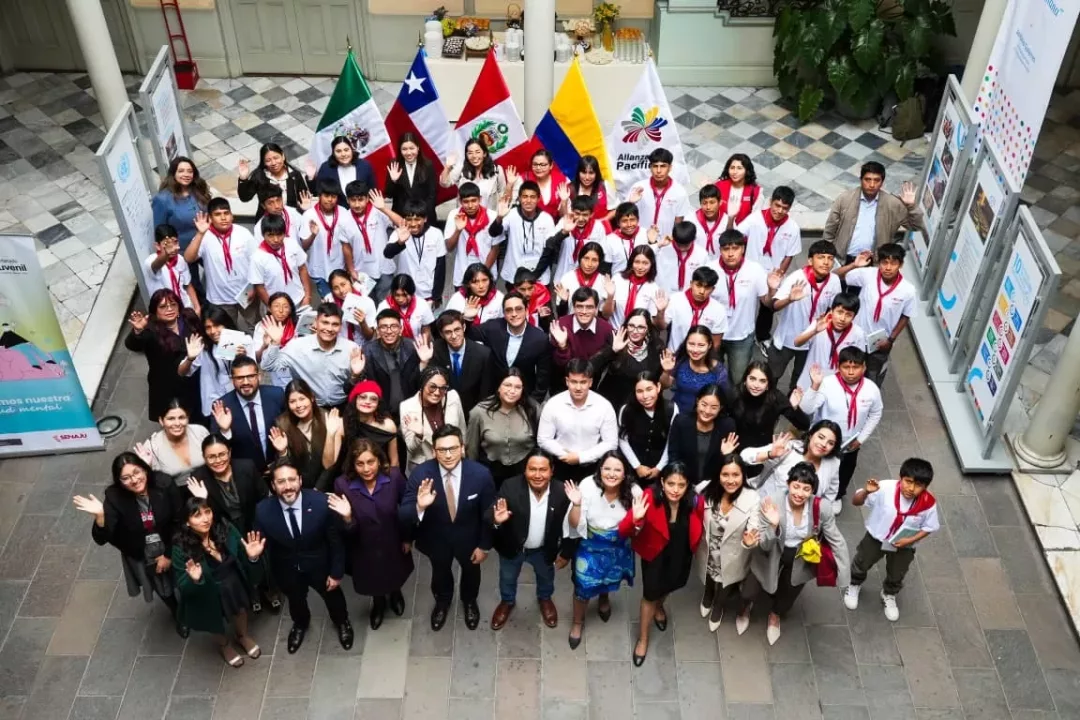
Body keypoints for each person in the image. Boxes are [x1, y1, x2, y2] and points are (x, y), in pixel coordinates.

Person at [74, 453, 186, 636]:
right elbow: (102, 538)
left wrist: (168, 555)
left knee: (185, 576)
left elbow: (178, 519)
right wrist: (100, 517)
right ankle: (178, 614)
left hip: (171, 540)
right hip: (142, 550)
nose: (134, 480)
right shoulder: (115, 497)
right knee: (162, 586)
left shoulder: (163, 483)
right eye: (126, 478)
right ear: (119, 481)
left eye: (137, 472)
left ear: (145, 469)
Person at [250, 459, 354, 653]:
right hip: (287, 570)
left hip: (321, 566)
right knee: (296, 601)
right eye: (281, 481)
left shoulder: (321, 503)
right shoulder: (263, 511)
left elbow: (335, 542)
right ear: (273, 485)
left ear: (300, 480)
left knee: (333, 598)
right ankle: (300, 624)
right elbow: (259, 545)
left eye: (292, 479)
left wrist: (336, 572)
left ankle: (342, 622)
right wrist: (254, 556)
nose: (287, 486)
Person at [742, 463, 850, 645]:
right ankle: (745, 608)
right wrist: (773, 525)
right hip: (771, 552)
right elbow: (765, 546)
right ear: (788, 484)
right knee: (749, 590)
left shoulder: (821, 507)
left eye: (806, 489)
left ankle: (775, 615)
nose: (800, 493)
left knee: (789, 591)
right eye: (796, 486)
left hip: (800, 556)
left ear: (812, 491)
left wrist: (844, 575)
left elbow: (836, 539)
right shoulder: (771, 503)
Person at [400, 426, 496, 631]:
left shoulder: (480, 474)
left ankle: (469, 602)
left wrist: (484, 546)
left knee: (471, 573)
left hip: (469, 541)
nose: (448, 455)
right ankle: (442, 602)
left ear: (462, 448)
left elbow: (488, 514)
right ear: (434, 451)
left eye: (453, 448)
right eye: (442, 450)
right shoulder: (421, 474)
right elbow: (404, 515)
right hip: (436, 540)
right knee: (440, 573)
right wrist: (419, 506)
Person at [622, 462, 704, 665]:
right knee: (650, 594)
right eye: (671, 484)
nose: (675, 490)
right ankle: (643, 638)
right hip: (655, 554)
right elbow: (623, 530)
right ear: (662, 482)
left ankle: (659, 607)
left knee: (672, 584)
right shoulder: (649, 498)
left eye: (681, 485)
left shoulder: (695, 501)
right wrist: (636, 519)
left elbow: (699, 523)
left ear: (688, 486)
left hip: (681, 553)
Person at [172, 497, 265, 666]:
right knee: (213, 621)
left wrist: (253, 557)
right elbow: (183, 586)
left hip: (232, 582)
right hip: (207, 590)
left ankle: (242, 636)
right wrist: (195, 580)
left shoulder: (226, 529)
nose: (205, 519)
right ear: (187, 522)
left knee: (240, 610)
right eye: (197, 515)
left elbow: (244, 557)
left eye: (207, 512)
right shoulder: (181, 548)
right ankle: (224, 646)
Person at [489, 449, 575, 630]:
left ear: (552, 471)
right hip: (513, 547)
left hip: (544, 549)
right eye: (532, 469)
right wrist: (496, 520)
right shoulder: (510, 486)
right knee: (507, 577)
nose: (537, 475)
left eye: (543, 470)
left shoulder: (562, 492)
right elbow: (490, 514)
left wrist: (566, 553)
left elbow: (572, 526)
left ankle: (545, 598)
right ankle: (507, 601)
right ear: (525, 470)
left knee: (546, 577)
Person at [844, 458, 938, 622]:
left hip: (904, 545)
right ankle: (854, 584)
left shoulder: (928, 504)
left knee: (898, 572)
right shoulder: (884, 488)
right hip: (876, 537)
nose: (911, 488)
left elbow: (929, 527)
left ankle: (889, 593)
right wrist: (866, 492)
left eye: (918, 485)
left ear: (925, 486)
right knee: (862, 561)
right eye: (908, 481)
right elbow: (856, 501)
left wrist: (910, 540)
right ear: (901, 477)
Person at [333, 438, 414, 629]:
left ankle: (395, 594)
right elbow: (345, 531)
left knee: (395, 572)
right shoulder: (342, 484)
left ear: (379, 460)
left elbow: (407, 510)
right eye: (360, 464)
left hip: (392, 540)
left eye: (371, 462)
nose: (366, 469)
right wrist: (347, 517)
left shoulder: (394, 477)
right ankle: (378, 604)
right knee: (373, 579)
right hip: (363, 546)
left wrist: (407, 538)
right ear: (353, 465)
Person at [565, 451, 642, 649]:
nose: (611, 474)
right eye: (607, 468)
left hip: (618, 545)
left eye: (617, 469)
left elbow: (637, 532)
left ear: (625, 473)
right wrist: (576, 504)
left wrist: (637, 520)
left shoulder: (635, 492)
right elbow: (574, 524)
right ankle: (577, 622)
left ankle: (604, 597)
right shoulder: (587, 486)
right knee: (582, 585)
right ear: (600, 470)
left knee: (610, 577)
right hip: (591, 544)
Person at [187, 435, 272, 613]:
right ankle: (252, 593)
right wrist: (203, 499)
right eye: (211, 457)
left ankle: (269, 589)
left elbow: (263, 496)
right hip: (224, 529)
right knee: (239, 561)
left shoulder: (246, 466)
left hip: (252, 521)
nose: (218, 460)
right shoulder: (198, 478)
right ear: (204, 457)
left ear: (230, 452)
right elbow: (201, 515)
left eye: (222, 454)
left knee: (262, 557)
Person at [800, 348, 883, 513]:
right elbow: (806, 408)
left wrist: (861, 439)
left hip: (850, 443)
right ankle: (805, 490)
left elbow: (876, 413)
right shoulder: (827, 384)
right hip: (823, 439)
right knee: (812, 465)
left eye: (856, 367)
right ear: (838, 367)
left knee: (845, 469)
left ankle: (837, 495)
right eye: (846, 367)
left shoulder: (871, 389)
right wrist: (814, 385)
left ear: (864, 367)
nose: (851, 372)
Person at [696, 454, 761, 633]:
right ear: (718, 474)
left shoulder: (752, 498)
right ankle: (708, 594)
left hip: (734, 551)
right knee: (709, 574)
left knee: (726, 580)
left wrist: (749, 542)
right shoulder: (705, 490)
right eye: (725, 474)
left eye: (735, 475)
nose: (730, 480)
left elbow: (754, 527)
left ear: (743, 475)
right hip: (709, 547)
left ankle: (718, 606)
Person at [836, 243, 917, 385]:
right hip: (856, 336)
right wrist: (854, 265)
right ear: (879, 262)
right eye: (884, 262)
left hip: (880, 343)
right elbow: (836, 275)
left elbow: (906, 316)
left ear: (901, 265)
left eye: (893, 263)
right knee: (847, 373)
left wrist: (890, 340)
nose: (888, 267)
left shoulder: (908, 290)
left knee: (872, 379)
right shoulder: (868, 274)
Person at [260, 302, 365, 409]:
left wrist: (356, 375)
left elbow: (360, 384)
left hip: (344, 405)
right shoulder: (297, 347)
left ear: (340, 326)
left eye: (335, 324)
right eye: (325, 322)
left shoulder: (351, 348)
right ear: (316, 322)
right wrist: (275, 343)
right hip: (310, 407)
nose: (329, 328)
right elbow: (267, 366)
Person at [769, 240, 841, 392]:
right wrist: (789, 299)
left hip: (812, 339)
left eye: (830, 258)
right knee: (772, 375)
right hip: (787, 338)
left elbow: (833, 308)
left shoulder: (834, 281)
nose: (826, 262)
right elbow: (774, 305)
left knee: (800, 380)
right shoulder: (797, 278)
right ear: (810, 260)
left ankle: (792, 402)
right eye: (821, 257)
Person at [712, 229, 780, 382]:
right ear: (720, 250)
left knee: (738, 379)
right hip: (713, 333)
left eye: (735, 248)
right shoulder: (710, 269)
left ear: (743, 249)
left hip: (741, 336)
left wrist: (771, 290)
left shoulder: (754, 270)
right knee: (713, 378)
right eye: (726, 249)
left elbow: (767, 303)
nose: (730, 254)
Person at [823, 162, 922, 264]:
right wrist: (828, 255)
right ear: (861, 180)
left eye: (876, 180)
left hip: (873, 263)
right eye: (867, 179)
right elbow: (830, 229)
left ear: (882, 182)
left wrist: (911, 206)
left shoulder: (893, 204)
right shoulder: (845, 199)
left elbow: (915, 226)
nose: (872, 185)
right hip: (843, 260)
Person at [124, 289, 201, 421]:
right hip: (168, 385)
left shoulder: (188, 317)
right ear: (155, 310)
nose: (169, 309)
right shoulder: (150, 329)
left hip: (194, 379)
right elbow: (133, 345)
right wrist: (138, 331)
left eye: (173, 305)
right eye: (163, 306)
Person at [183, 200, 258, 332]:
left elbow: (257, 261)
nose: (223, 218)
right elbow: (188, 258)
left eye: (226, 213)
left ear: (232, 216)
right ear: (210, 218)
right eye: (218, 214)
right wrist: (200, 234)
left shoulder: (243, 233)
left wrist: (255, 287)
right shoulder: (204, 236)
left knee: (255, 326)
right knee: (226, 333)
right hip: (220, 297)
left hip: (247, 292)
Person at [538, 358, 619, 480]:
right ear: (567, 381)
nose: (578, 387)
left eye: (583, 382)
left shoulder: (604, 406)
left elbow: (611, 443)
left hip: (593, 467)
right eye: (574, 382)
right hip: (561, 464)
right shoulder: (553, 404)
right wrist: (565, 455)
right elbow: (543, 439)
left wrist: (581, 457)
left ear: (590, 382)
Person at [726, 361, 810, 478]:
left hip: (761, 453)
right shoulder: (734, 394)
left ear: (768, 385)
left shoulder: (775, 398)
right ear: (745, 380)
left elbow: (804, 425)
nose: (756, 385)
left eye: (762, 381)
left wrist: (795, 408)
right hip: (734, 449)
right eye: (752, 379)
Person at [468, 291, 552, 403]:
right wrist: (467, 318)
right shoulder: (492, 327)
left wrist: (533, 404)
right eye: (509, 310)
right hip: (493, 396)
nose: (514, 314)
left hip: (523, 398)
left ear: (526, 310)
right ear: (504, 313)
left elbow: (543, 377)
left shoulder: (540, 339)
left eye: (518, 309)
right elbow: (468, 334)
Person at [209, 355, 286, 473]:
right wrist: (225, 430)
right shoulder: (221, 406)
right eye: (240, 378)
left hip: (278, 468)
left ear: (259, 376)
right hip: (245, 474)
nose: (245, 382)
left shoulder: (276, 395)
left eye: (250, 376)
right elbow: (217, 449)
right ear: (232, 380)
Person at [466, 369, 540, 489]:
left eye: (518, 387)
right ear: (498, 387)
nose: (512, 391)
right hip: (491, 472)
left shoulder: (532, 409)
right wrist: (472, 475)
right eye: (507, 385)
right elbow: (471, 449)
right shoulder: (479, 412)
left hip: (524, 472)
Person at [742, 420, 843, 501]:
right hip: (763, 506)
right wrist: (770, 454)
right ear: (811, 435)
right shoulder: (788, 449)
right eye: (821, 437)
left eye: (830, 443)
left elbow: (831, 493)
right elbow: (744, 456)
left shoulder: (833, 463)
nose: (824, 444)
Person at [271, 379, 342, 491]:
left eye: (302, 399)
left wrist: (317, 489)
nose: (298, 405)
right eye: (292, 401)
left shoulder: (328, 419)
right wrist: (282, 452)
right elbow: (284, 467)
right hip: (297, 488)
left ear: (312, 398)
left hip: (327, 485)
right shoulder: (282, 424)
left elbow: (331, 465)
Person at [153, 156, 211, 292]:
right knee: (194, 286)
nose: (186, 174)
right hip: (183, 252)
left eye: (189, 171)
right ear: (173, 174)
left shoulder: (198, 189)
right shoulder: (162, 199)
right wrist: (168, 252)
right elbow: (160, 229)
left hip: (206, 244)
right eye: (181, 171)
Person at [179, 305, 243, 424]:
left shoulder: (240, 341)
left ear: (225, 324)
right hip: (215, 402)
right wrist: (190, 358)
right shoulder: (203, 347)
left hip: (240, 398)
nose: (213, 331)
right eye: (208, 327)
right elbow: (182, 372)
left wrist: (241, 357)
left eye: (217, 325)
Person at [792, 292, 867, 392]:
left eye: (848, 315)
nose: (842, 318)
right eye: (839, 312)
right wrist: (814, 331)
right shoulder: (820, 324)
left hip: (836, 385)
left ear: (854, 317)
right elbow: (797, 343)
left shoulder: (858, 334)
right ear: (832, 310)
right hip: (810, 380)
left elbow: (858, 362)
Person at [666, 384, 739, 487]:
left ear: (720, 408)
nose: (707, 411)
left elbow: (729, 466)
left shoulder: (727, 425)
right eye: (704, 405)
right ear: (697, 401)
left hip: (714, 485)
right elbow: (673, 456)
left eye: (714, 407)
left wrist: (725, 455)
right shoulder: (681, 421)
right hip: (684, 484)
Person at [594, 309, 667, 409]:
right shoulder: (615, 340)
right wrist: (613, 350)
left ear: (647, 329)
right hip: (612, 403)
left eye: (640, 327)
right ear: (626, 326)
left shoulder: (656, 347)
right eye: (631, 326)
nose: (635, 331)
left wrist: (667, 371)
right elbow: (592, 367)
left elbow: (663, 385)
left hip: (640, 406)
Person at [400, 366, 468, 473]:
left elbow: (462, 431)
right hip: (424, 466)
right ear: (422, 385)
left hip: (453, 461)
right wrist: (419, 435)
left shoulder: (453, 397)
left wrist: (462, 457)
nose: (437, 392)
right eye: (432, 387)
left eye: (443, 388)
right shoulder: (407, 407)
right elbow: (411, 448)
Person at [363, 308, 430, 415]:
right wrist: (355, 375)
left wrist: (424, 362)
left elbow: (422, 383)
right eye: (383, 327)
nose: (389, 331)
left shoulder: (413, 347)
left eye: (394, 326)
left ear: (401, 329)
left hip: (412, 409)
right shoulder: (368, 351)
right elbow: (353, 388)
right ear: (377, 331)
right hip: (380, 411)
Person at [300, 178, 357, 300]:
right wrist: (313, 235)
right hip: (319, 269)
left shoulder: (344, 212)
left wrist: (350, 266)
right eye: (326, 196)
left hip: (340, 267)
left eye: (333, 196)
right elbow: (303, 246)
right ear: (319, 196)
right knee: (329, 303)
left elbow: (349, 242)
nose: (330, 200)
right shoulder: (309, 215)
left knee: (344, 302)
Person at [492, 181, 558, 285]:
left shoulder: (546, 219)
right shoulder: (512, 214)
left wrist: (535, 275)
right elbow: (493, 233)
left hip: (539, 276)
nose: (528, 201)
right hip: (513, 273)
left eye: (532, 197)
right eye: (525, 197)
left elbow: (550, 251)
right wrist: (499, 217)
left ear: (538, 199)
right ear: (519, 198)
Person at [344, 182, 399, 302]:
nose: (357, 204)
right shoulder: (344, 219)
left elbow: (401, 223)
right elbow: (346, 246)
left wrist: (383, 208)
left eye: (360, 200)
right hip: (362, 271)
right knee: (366, 304)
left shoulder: (378, 212)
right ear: (347, 200)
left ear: (367, 198)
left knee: (384, 304)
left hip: (384, 268)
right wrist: (351, 270)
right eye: (353, 200)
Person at [432, 310, 495, 416]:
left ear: (464, 327)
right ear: (441, 334)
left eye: (457, 330)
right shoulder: (434, 350)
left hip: (473, 412)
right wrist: (424, 362)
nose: (454, 336)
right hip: (443, 411)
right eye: (448, 332)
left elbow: (486, 392)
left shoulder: (483, 354)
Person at [618, 371, 676, 486]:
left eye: (649, 389)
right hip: (632, 469)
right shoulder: (626, 410)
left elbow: (671, 441)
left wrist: (659, 467)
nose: (645, 396)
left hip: (661, 469)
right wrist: (637, 466)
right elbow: (623, 440)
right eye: (639, 391)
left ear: (658, 387)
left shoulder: (671, 409)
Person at [135, 398, 209, 486]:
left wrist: (223, 430)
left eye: (181, 417)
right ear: (161, 421)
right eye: (171, 419)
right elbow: (151, 484)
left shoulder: (200, 432)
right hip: (174, 491)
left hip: (207, 483)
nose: (177, 423)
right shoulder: (151, 448)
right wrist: (146, 468)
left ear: (187, 418)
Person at [382, 200, 445, 304]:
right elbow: (387, 254)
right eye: (409, 219)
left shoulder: (436, 234)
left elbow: (440, 267)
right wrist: (400, 243)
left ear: (425, 219)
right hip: (406, 293)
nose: (413, 224)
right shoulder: (400, 232)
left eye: (417, 219)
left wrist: (436, 297)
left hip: (429, 293)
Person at [550, 288, 613, 390]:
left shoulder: (606, 329)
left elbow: (604, 364)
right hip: (564, 383)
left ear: (596, 308)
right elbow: (559, 366)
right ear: (574, 307)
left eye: (589, 307)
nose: (584, 312)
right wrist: (562, 346)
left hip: (591, 384)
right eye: (579, 306)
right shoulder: (562, 325)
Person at [249, 211, 312, 308]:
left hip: (299, 299)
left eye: (279, 234)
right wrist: (272, 307)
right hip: (276, 306)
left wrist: (307, 295)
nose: (276, 239)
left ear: (284, 233)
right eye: (270, 235)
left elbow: (302, 269)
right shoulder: (257, 257)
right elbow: (259, 287)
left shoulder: (292, 244)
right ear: (263, 235)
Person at [445, 183, 501, 288]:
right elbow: (449, 247)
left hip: (486, 274)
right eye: (466, 202)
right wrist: (458, 230)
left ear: (480, 199)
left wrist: (483, 273)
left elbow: (495, 248)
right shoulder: (454, 215)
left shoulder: (492, 216)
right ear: (460, 201)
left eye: (474, 201)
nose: (470, 205)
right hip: (462, 273)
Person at [238, 142, 312, 220]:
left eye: (276, 158)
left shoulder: (294, 175)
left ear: (283, 156)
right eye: (268, 160)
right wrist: (243, 178)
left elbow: (304, 199)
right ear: (264, 162)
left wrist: (303, 208)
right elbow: (245, 198)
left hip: (290, 220)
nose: (273, 163)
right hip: (267, 221)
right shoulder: (259, 176)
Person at [628, 148, 691, 238]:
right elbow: (625, 216)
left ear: (670, 168)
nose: (658, 171)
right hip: (640, 239)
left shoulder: (679, 192)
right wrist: (631, 203)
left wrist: (672, 240)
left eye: (663, 166)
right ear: (650, 167)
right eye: (655, 166)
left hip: (665, 241)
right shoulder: (638, 188)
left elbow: (678, 222)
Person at [667, 326, 728, 414]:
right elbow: (665, 385)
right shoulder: (681, 359)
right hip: (677, 411)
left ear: (709, 345)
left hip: (704, 415)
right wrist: (666, 371)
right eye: (691, 344)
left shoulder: (719, 370)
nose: (695, 350)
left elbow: (721, 400)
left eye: (701, 345)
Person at [341, 380, 400, 468]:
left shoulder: (388, 425)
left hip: (380, 471)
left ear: (378, 404)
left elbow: (394, 461)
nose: (368, 401)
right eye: (363, 397)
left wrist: (392, 476)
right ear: (355, 400)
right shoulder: (343, 424)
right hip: (351, 471)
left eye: (373, 399)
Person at [666, 265, 725, 352]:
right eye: (698, 285)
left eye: (707, 288)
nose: (702, 291)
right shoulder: (676, 300)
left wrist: (706, 359)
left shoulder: (718, 309)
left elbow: (716, 343)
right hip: (675, 354)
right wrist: (660, 312)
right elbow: (661, 326)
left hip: (701, 356)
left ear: (713, 289)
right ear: (691, 283)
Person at [549, 196, 608, 283]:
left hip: (587, 277)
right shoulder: (564, 222)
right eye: (577, 214)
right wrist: (564, 232)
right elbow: (550, 244)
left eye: (585, 215)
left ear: (591, 214)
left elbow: (602, 252)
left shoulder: (598, 227)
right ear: (571, 211)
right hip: (563, 273)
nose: (580, 219)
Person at [385, 132, 439, 226]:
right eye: (404, 149)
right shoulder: (394, 164)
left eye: (412, 148)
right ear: (400, 150)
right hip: (401, 218)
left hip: (423, 217)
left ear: (418, 148)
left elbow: (432, 195)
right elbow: (388, 194)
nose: (408, 153)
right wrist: (393, 181)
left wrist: (421, 215)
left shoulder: (428, 165)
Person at [439, 138, 509, 210]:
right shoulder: (461, 168)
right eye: (470, 153)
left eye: (477, 152)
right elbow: (445, 184)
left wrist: (510, 184)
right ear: (466, 155)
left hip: (488, 215)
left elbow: (502, 193)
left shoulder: (497, 170)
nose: (474, 156)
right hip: (464, 215)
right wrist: (447, 167)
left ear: (484, 153)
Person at [605, 245, 664, 329]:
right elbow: (606, 315)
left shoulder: (653, 288)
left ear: (651, 264)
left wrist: (660, 312)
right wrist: (610, 296)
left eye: (645, 263)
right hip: (615, 332)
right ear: (631, 262)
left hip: (637, 334)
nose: (640, 267)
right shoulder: (618, 279)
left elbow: (656, 325)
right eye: (637, 262)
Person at [145, 224, 199, 312]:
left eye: (175, 242)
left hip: (185, 307)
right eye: (166, 244)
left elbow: (187, 285)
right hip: (166, 311)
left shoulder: (180, 259)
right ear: (157, 246)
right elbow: (155, 265)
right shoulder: (151, 260)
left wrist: (197, 307)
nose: (172, 247)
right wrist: (166, 253)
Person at [311, 135, 376, 207]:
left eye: (346, 150)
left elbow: (372, 191)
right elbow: (318, 192)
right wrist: (311, 178)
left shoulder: (365, 166)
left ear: (352, 149)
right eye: (338, 151)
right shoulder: (326, 168)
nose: (343, 154)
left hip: (361, 210)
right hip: (336, 211)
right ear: (333, 153)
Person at [253, 292, 299, 389]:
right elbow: (257, 358)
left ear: (290, 309)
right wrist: (264, 345)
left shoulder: (297, 325)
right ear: (269, 308)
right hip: (273, 375)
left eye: (285, 306)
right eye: (276, 306)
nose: (281, 310)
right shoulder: (262, 327)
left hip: (296, 372)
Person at [324, 269, 376, 344]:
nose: (341, 290)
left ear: (350, 280)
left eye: (343, 284)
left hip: (362, 345)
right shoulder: (329, 300)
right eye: (336, 288)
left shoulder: (367, 302)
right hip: (338, 345)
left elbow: (370, 336)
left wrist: (363, 323)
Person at [511, 148, 565, 220]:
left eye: (543, 165)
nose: (538, 168)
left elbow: (564, 215)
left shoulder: (560, 179)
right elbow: (510, 203)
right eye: (535, 164)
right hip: (527, 222)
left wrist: (564, 201)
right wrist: (509, 185)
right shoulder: (523, 179)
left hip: (553, 224)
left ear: (551, 165)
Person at [555, 241, 609, 314]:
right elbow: (560, 314)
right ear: (580, 258)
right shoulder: (568, 278)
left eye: (594, 260)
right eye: (586, 258)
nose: (589, 264)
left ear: (600, 262)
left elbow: (604, 315)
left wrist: (610, 296)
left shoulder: (603, 282)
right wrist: (564, 301)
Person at [655, 221, 708, 295]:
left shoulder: (702, 254)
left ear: (693, 240)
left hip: (690, 295)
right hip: (665, 293)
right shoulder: (663, 250)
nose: (682, 248)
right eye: (679, 245)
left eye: (686, 245)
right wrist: (658, 245)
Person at [378, 274, 435, 341]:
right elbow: (379, 332)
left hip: (417, 344)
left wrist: (424, 345)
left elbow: (426, 330)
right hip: (391, 345)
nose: (401, 299)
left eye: (404, 295)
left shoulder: (422, 305)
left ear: (411, 293)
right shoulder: (384, 306)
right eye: (397, 295)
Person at [714, 154, 764, 229]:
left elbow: (755, 220)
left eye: (739, 168)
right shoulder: (719, 186)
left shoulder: (756, 192)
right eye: (732, 168)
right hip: (719, 231)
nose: (735, 172)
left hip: (742, 233)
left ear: (747, 170)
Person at [604, 203, 651, 278]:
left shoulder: (645, 234)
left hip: (642, 281)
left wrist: (653, 243)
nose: (629, 224)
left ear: (638, 220)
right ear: (618, 222)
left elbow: (652, 260)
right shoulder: (609, 240)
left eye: (632, 220)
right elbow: (606, 268)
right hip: (618, 282)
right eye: (624, 221)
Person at [690, 184, 726, 263]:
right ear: (700, 203)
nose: (708, 207)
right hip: (697, 264)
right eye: (704, 203)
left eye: (712, 202)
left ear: (720, 202)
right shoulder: (691, 219)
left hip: (718, 265)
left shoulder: (727, 221)